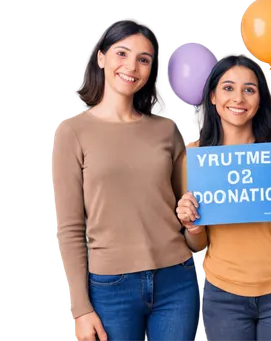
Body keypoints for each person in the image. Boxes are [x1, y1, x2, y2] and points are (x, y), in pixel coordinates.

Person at [50, 17, 201, 341]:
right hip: (109, 287)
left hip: (178, 280)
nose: (131, 66)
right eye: (122, 53)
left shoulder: (166, 129)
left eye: (143, 59)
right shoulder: (72, 133)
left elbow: (185, 206)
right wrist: (80, 309)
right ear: (101, 58)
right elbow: (70, 228)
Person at [175, 52, 271, 341]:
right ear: (212, 96)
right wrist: (193, 226)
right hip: (223, 294)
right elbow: (198, 244)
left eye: (249, 89)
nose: (239, 98)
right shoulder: (194, 157)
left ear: (260, 99)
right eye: (228, 87)